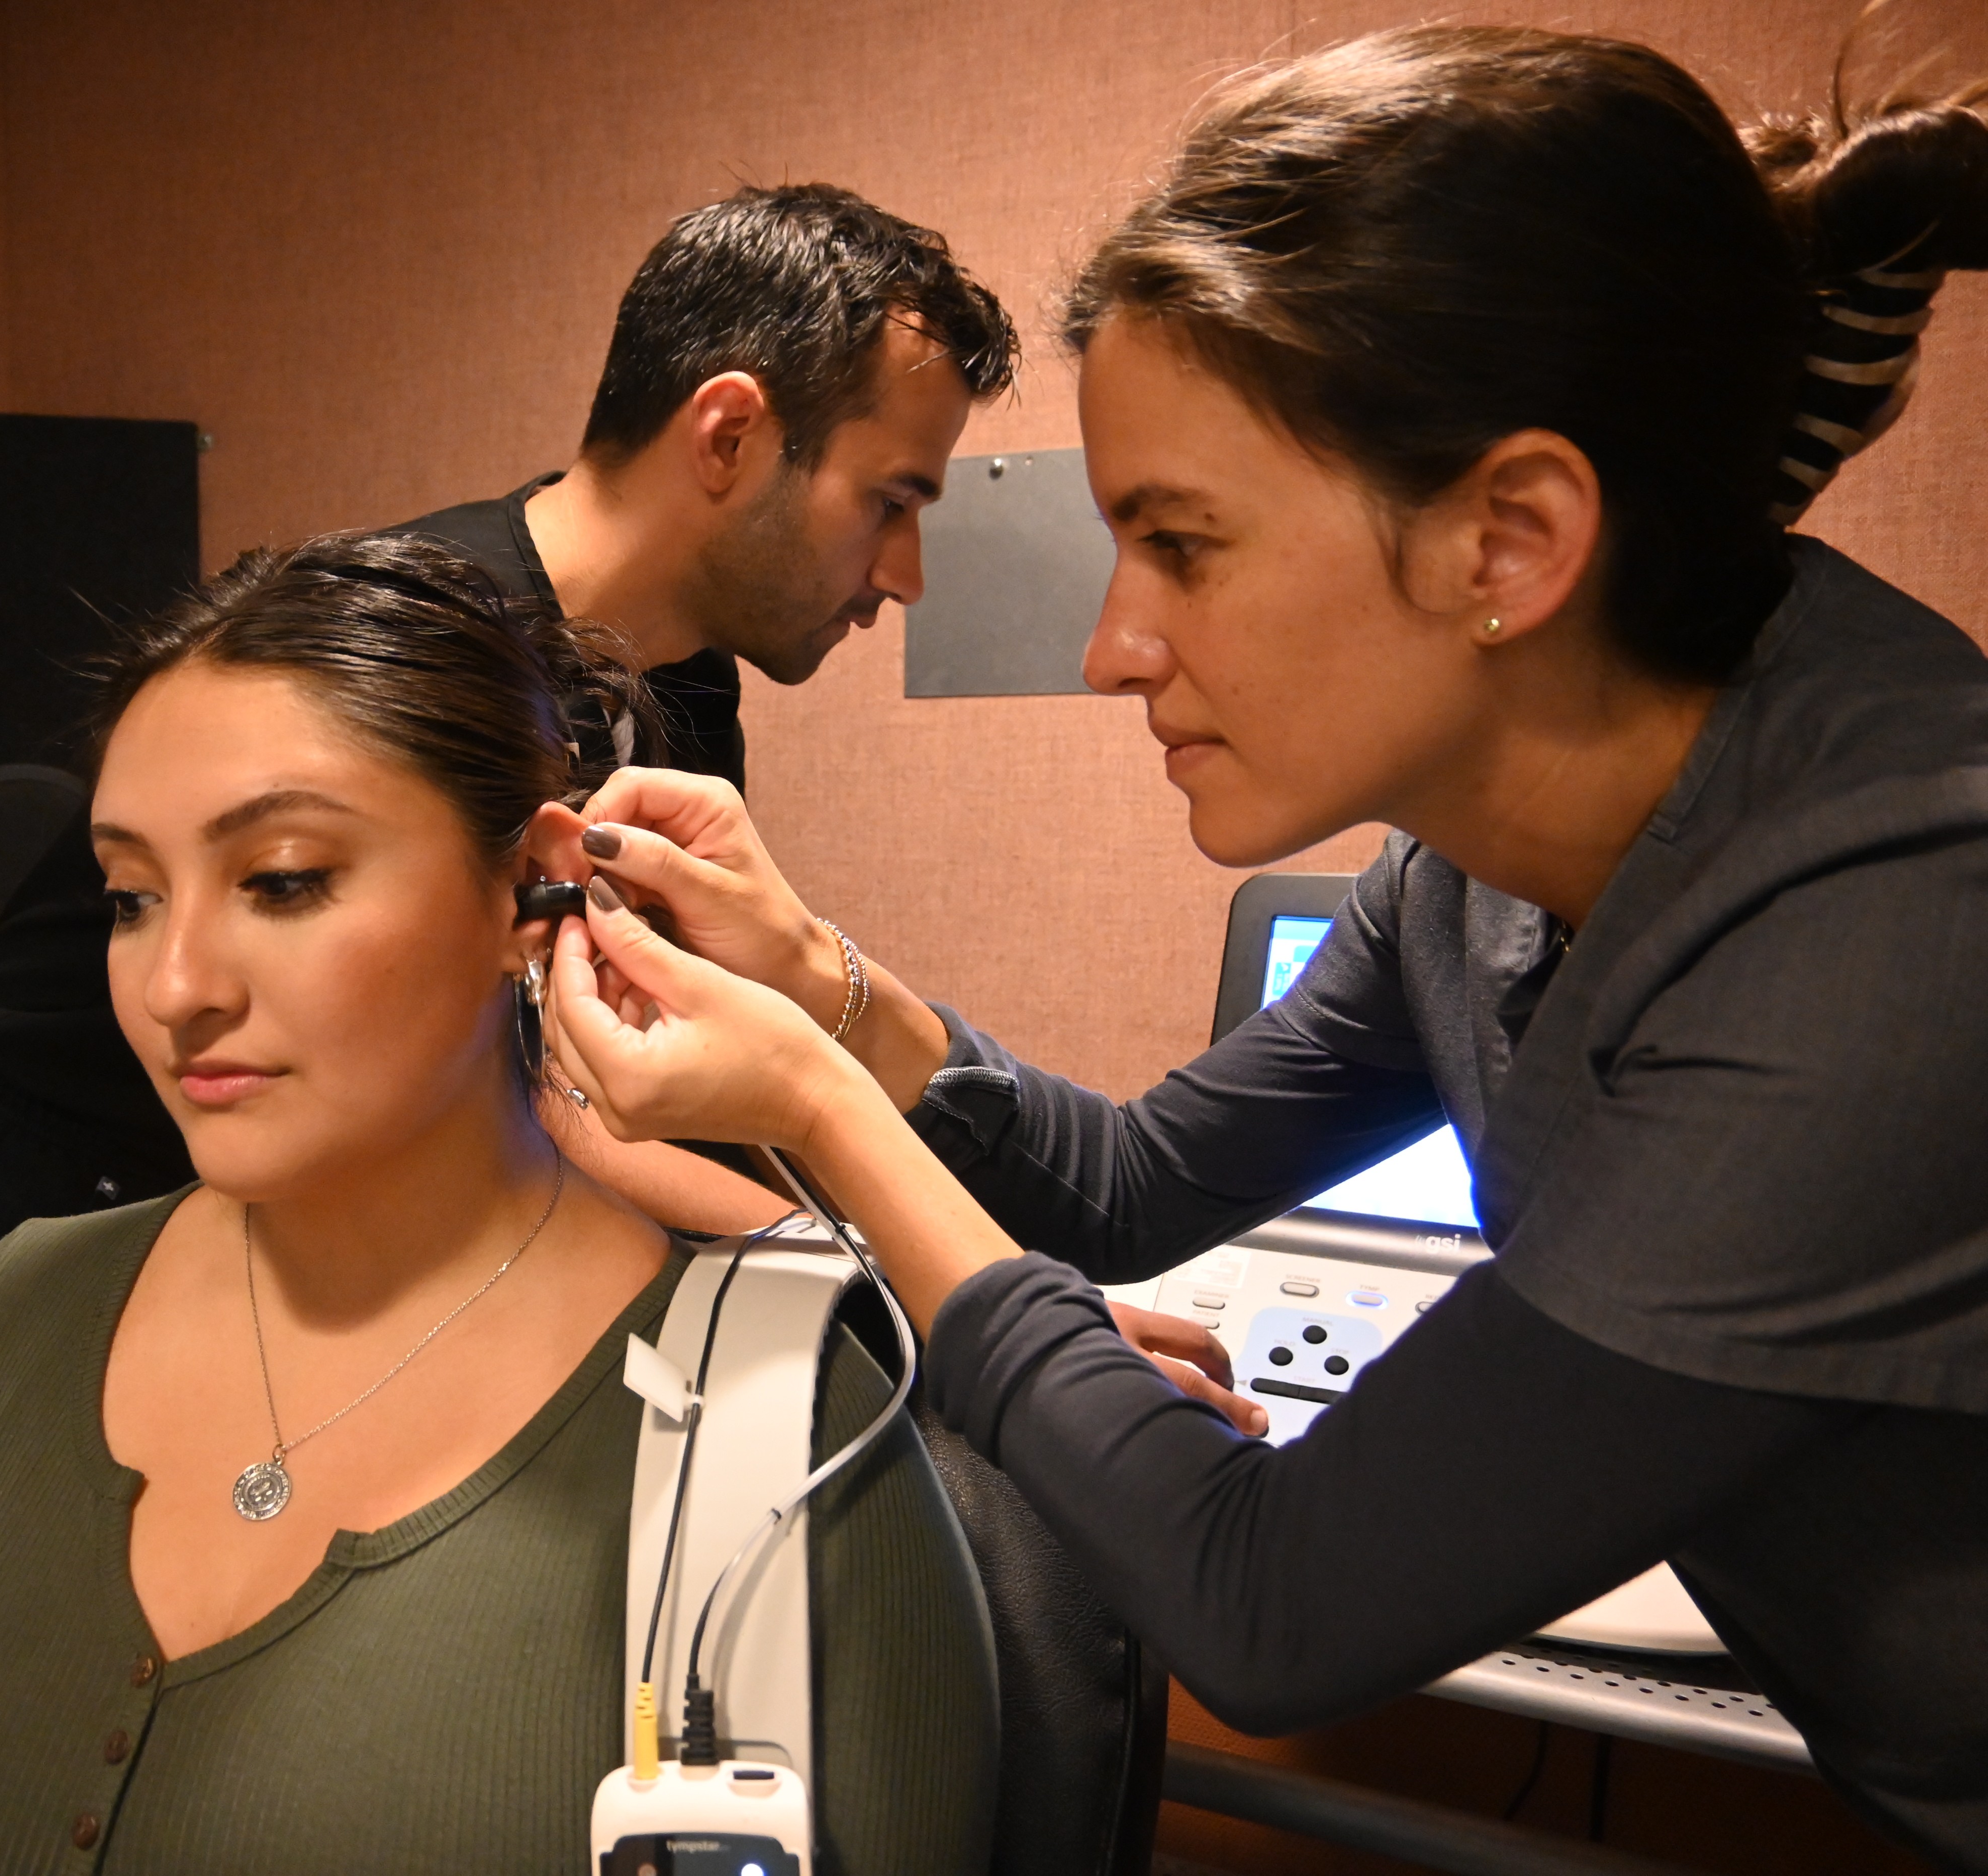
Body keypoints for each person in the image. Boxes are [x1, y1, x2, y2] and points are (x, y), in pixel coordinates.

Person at [541, 27, 1988, 1869]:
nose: (1108, 646)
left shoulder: (1890, 922)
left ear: (1510, 537)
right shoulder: (1465, 877)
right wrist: (818, 971)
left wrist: (825, 1114)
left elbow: (1269, 1606)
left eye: (1180, 544)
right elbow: (1136, 1188)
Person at [0, 535, 998, 1875]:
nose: (174, 983)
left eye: (283, 880)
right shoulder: (2, 1327)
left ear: (526, 885)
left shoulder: (782, 1448)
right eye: (132, 897)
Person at [0, 181, 1021, 1319]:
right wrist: (938, 1287)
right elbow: (560, 1096)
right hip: (91, 1232)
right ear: (729, 435)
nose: (904, 574)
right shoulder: (423, 655)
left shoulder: (687, 680)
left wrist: (977, 1281)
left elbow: (666, 1051)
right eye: (891, 500)